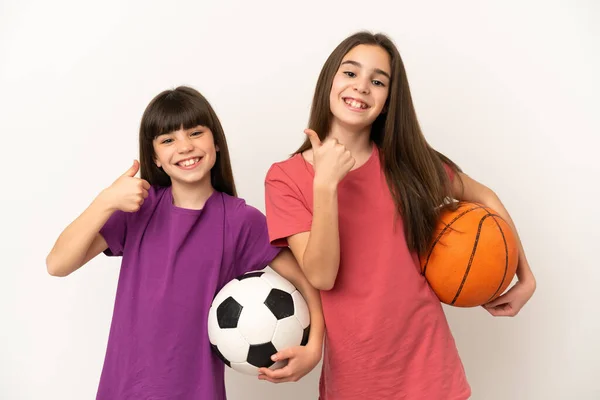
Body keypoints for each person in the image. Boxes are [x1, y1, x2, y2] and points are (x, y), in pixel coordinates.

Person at [262, 31, 536, 399]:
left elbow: (484, 195)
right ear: (329, 80)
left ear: (388, 101)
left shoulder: (408, 165)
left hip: (429, 367)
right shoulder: (286, 177)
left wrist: (525, 277)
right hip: (356, 376)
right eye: (350, 73)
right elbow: (322, 275)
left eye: (378, 81)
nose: (361, 87)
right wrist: (326, 184)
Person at [46, 86, 324, 399]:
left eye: (195, 132)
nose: (185, 146)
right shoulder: (139, 209)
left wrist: (314, 348)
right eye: (168, 140)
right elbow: (58, 264)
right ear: (156, 158)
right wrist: (105, 201)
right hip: (125, 390)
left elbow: (309, 280)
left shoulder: (240, 220)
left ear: (216, 142)